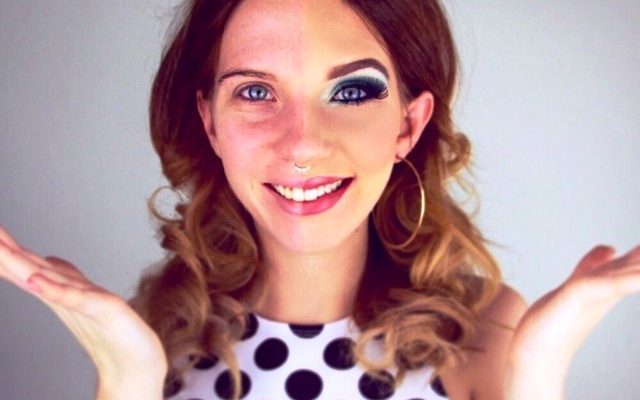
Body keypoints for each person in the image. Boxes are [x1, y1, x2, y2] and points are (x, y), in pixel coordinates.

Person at [0, 0, 638, 399]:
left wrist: (540, 365)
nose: (302, 144)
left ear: (408, 125)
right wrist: (127, 380)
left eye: (352, 92)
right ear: (211, 123)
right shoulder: (154, 329)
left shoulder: (483, 331)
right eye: (255, 92)